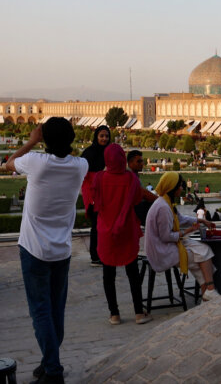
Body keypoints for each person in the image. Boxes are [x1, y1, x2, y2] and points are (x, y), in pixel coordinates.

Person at [3, 118, 88, 384]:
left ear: (46, 139)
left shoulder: (37, 162)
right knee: (55, 312)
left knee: (41, 311)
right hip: (61, 250)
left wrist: (31, 140)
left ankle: (53, 371)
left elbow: (9, 163)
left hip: (34, 249)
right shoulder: (80, 166)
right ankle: (48, 360)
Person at [92, 145, 146, 325]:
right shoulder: (130, 178)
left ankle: (114, 314)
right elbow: (137, 200)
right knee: (133, 273)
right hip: (126, 230)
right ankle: (138, 313)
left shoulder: (100, 178)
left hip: (106, 231)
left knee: (109, 275)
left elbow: (95, 201)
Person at [144, 172, 219, 301]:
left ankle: (207, 296)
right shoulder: (162, 207)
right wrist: (187, 231)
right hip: (161, 250)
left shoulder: (166, 202)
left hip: (168, 245)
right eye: (179, 186)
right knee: (204, 253)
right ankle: (210, 290)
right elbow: (166, 236)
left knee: (201, 256)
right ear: (172, 187)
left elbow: (181, 218)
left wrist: (201, 221)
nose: (182, 188)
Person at [80, 126, 111, 266]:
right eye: (101, 136)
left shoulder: (110, 152)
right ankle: (95, 256)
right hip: (93, 194)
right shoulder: (89, 153)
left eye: (106, 136)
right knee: (96, 226)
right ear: (96, 137)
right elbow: (83, 176)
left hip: (106, 194)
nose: (104, 139)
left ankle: (106, 253)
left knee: (106, 225)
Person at [126, 150, 157, 225]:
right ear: (130, 163)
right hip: (134, 210)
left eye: (142, 161)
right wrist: (160, 201)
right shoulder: (130, 176)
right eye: (139, 161)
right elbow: (143, 193)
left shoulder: (134, 175)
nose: (142, 164)